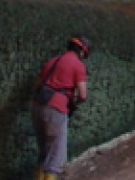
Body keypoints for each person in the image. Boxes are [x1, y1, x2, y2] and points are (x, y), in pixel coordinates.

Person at [31, 35, 91, 180]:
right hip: (55, 109)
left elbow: (37, 86)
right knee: (56, 155)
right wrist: (72, 102)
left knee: (44, 151)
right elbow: (83, 95)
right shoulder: (78, 65)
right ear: (82, 51)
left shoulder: (52, 61)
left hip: (37, 107)